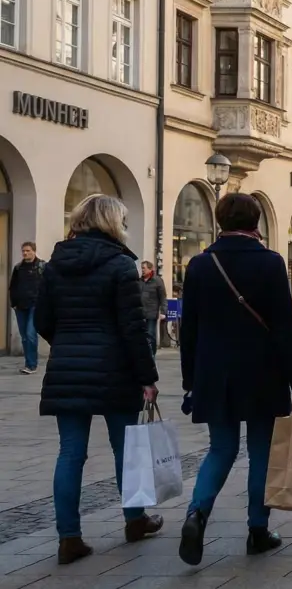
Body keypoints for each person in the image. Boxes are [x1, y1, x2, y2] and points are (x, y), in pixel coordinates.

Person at [177, 193, 292, 566]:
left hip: (213, 372)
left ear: (220, 221)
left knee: (221, 449)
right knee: (261, 452)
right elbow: (284, 325)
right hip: (262, 371)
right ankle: (257, 529)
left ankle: (196, 513)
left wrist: (191, 378)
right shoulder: (269, 263)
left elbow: (189, 329)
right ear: (255, 222)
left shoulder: (201, 265)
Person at [36, 195, 162, 564]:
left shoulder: (55, 264)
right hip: (115, 369)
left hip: (66, 369)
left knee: (70, 453)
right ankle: (134, 520)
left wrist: (67, 343)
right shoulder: (121, 265)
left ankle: (68, 537)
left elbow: (42, 320)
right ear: (112, 223)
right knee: (126, 450)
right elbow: (132, 328)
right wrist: (147, 377)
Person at [9, 241, 46, 374]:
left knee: (31, 334)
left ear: (34, 251)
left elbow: (48, 286)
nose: (25, 253)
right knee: (24, 336)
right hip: (20, 306)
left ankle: (32, 365)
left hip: (35, 306)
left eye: (28, 250)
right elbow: (12, 286)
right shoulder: (18, 268)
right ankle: (28, 363)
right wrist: (13, 303)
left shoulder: (42, 266)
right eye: (23, 251)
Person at [139, 261, 167, 356]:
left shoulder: (157, 281)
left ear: (150, 269)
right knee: (142, 336)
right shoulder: (140, 281)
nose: (142, 270)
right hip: (141, 313)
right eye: (142, 268)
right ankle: (144, 354)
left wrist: (163, 311)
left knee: (151, 335)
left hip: (151, 313)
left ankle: (152, 354)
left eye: (144, 268)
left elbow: (163, 297)